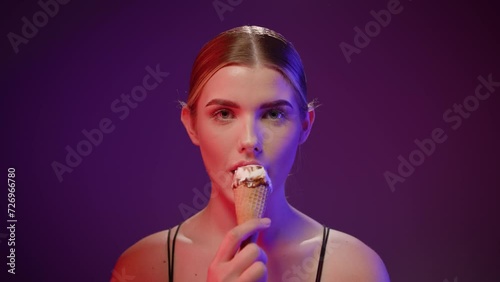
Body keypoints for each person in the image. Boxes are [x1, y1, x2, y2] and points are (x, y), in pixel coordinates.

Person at [113, 25, 390, 282]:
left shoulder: (354, 268)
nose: (250, 140)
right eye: (224, 114)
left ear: (305, 126)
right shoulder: (141, 266)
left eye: (273, 114)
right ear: (192, 125)